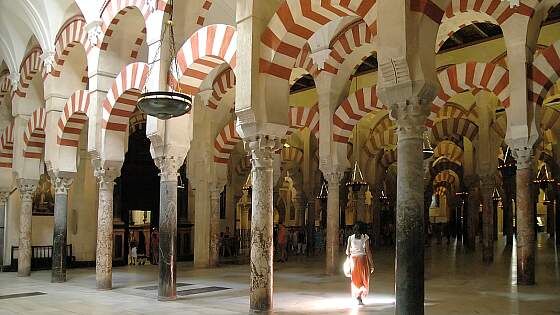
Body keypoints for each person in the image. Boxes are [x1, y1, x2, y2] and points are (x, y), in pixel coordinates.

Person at [346, 222, 374, 306]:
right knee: (363, 279)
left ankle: (358, 297)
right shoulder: (365, 237)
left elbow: (347, 252)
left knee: (355, 280)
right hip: (362, 260)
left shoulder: (350, 238)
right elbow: (368, 251)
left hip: (353, 260)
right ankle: (360, 296)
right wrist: (371, 264)